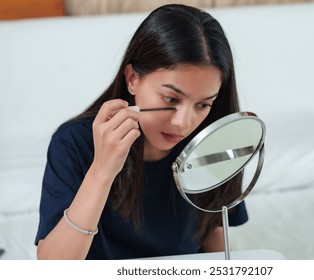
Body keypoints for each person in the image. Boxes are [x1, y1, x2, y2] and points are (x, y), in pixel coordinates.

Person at [35, 3, 248, 260]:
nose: (183, 122)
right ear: (133, 79)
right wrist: (102, 170)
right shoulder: (73, 143)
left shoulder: (212, 140)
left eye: (203, 104)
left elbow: (209, 230)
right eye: (171, 99)